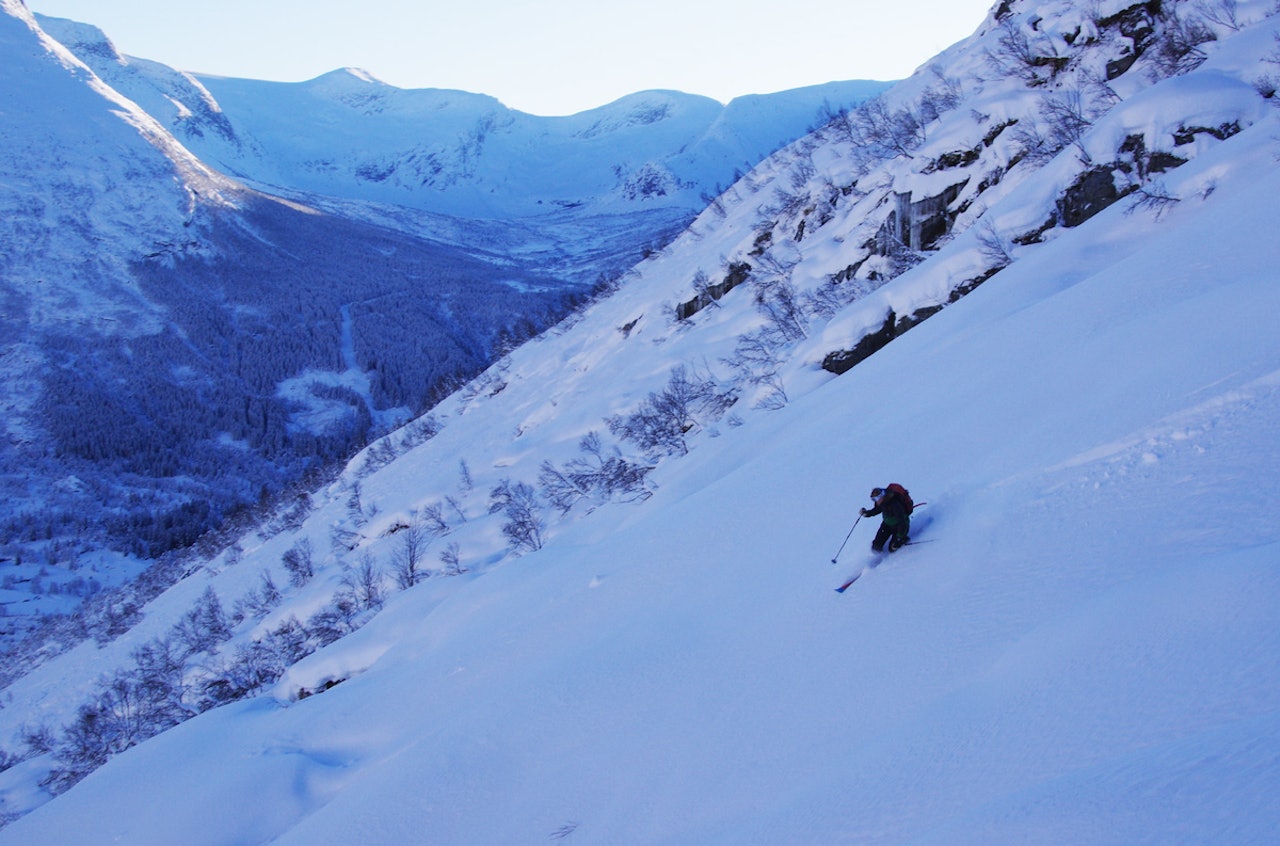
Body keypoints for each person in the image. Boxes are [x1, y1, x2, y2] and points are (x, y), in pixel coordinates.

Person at [861, 485, 912, 552]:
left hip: (899, 526)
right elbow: (877, 510)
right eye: (873, 499)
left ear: (882, 496)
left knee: (892, 548)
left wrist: (899, 537)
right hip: (887, 525)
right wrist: (867, 513)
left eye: (876, 499)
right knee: (876, 546)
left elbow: (902, 523)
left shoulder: (895, 505)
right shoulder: (882, 503)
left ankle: (904, 539)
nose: (876, 501)